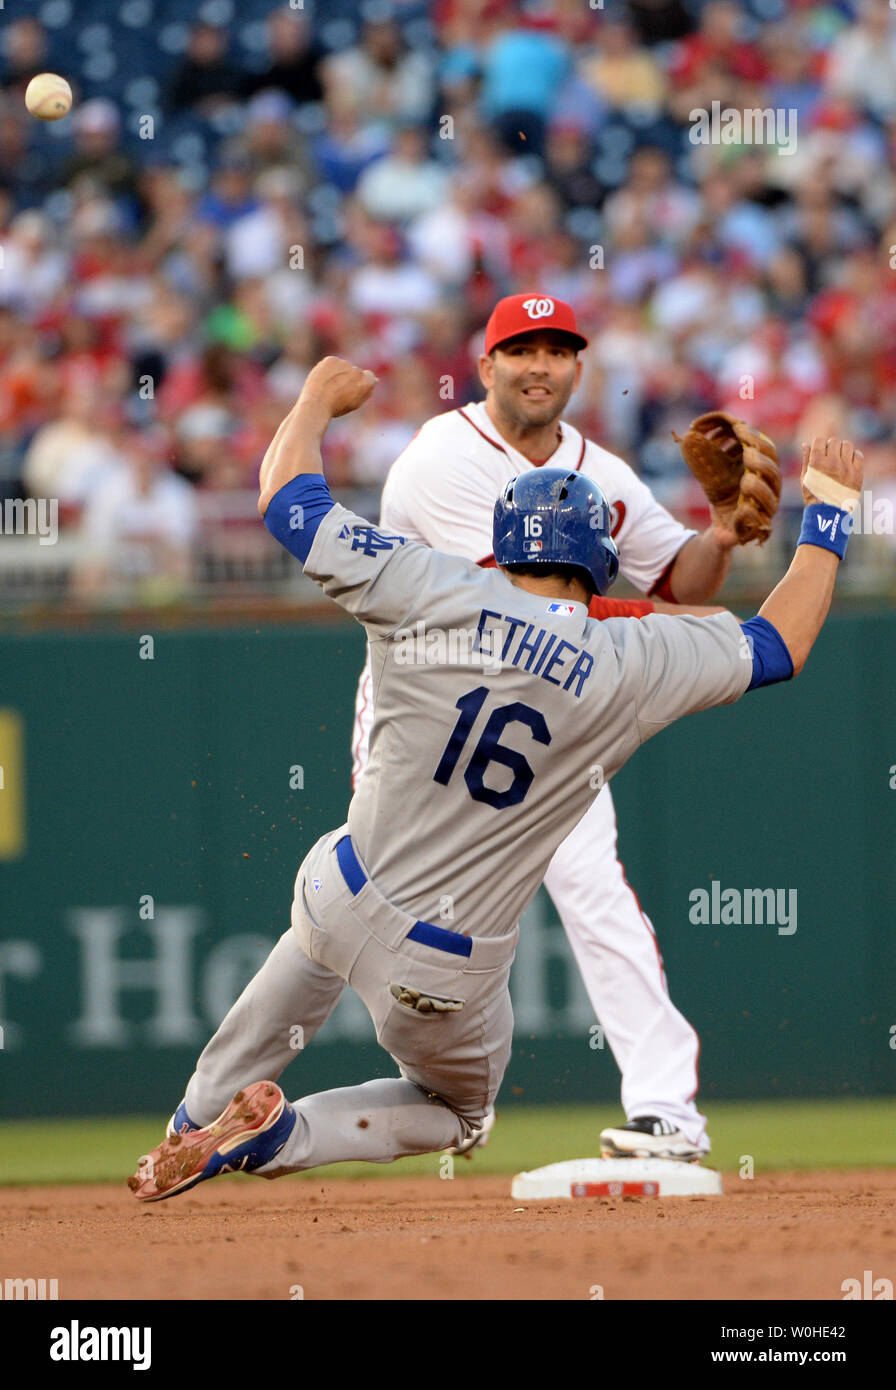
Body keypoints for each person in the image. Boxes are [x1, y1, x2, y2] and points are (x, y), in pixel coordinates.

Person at [129, 356, 861, 1201]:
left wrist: (312, 403)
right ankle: (283, 1134)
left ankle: (195, 1118)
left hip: (341, 884)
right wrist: (830, 520)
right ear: (599, 559)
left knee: (313, 940)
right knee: (455, 1115)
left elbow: (287, 501)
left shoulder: (424, 582)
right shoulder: (629, 659)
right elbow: (779, 647)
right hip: (438, 970)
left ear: (504, 542)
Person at [351, 295, 757, 1163]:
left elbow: (673, 579)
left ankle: (667, 1115)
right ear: (487, 365)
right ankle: (452, 1094)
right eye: (520, 349)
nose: (540, 365)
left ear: (578, 367)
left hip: (553, 716)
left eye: (558, 350)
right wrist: (658, 627)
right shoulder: (442, 456)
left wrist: (718, 535)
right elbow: (514, 606)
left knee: (595, 895)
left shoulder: (602, 473)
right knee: (397, 913)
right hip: (424, 712)